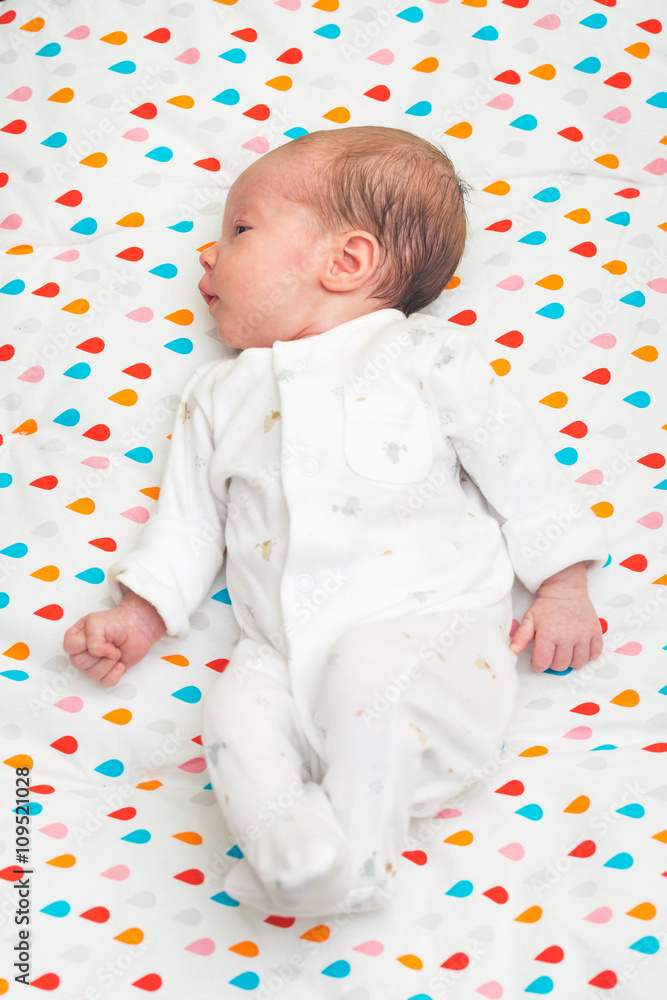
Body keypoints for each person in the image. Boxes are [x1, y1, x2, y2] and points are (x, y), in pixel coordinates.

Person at [63, 126, 607, 917]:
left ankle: (355, 859)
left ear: (345, 262)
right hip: (280, 651)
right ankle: (292, 845)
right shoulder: (218, 394)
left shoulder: (424, 359)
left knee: (366, 665)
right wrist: (140, 614)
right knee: (233, 714)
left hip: (430, 638)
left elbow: (515, 466)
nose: (205, 258)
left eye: (239, 230)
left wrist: (560, 586)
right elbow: (186, 523)